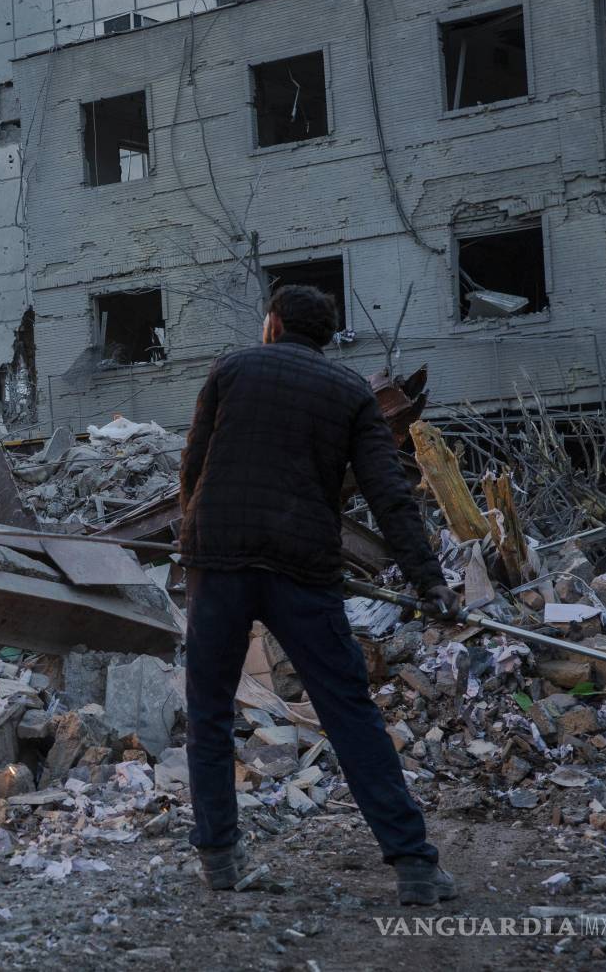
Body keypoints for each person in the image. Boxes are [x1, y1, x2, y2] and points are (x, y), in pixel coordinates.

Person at [178, 283, 460, 907]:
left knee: (209, 710)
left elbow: (193, 468)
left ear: (273, 324)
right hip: (302, 568)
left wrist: (194, 540)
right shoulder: (350, 393)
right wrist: (429, 579)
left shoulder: (231, 369)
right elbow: (389, 493)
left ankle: (219, 859)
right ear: (324, 337)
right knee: (348, 712)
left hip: (219, 560)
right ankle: (414, 865)